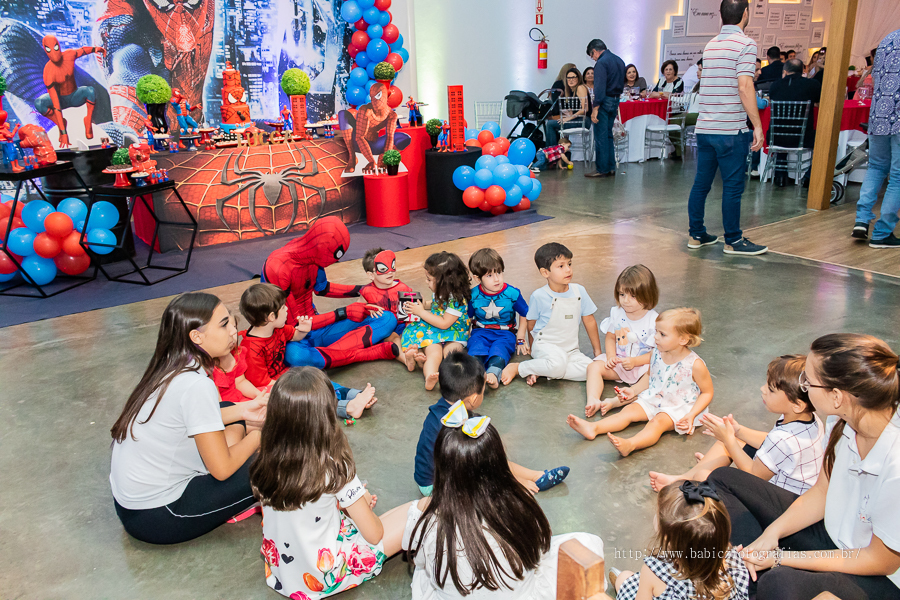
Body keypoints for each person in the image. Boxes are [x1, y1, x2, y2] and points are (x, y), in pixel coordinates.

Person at [710, 333, 900, 600]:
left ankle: (751, 579)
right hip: (832, 535)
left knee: (780, 583)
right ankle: (750, 567)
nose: (804, 387)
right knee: (723, 479)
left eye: (807, 381)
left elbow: (879, 561)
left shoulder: (896, 463)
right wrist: (771, 534)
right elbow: (822, 493)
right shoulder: (842, 418)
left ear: (836, 396)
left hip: (873, 572)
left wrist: (782, 558)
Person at [109, 292, 267, 545]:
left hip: (131, 507)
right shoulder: (196, 385)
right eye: (224, 324)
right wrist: (261, 435)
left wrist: (245, 409)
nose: (233, 332)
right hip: (161, 516)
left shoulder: (171, 366)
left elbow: (196, 416)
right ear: (196, 336)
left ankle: (232, 452)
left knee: (228, 407)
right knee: (280, 462)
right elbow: (222, 469)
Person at [404, 406, 602, 599]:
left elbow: (420, 560)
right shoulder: (520, 502)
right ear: (498, 463)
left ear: (441, 467)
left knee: (423, 574)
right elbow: (540, 547)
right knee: (588, 543)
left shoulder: (426, 519)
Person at [251, 367, 414, 599]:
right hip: (325, 576)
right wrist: (358, 500)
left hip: (283, 574)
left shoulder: (265, 459)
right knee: (419, 509)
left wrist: (350, 501)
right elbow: (375, 534)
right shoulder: (334, 466)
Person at [650, 355, 824, 494]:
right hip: (781, 482)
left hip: (778, 501)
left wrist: (729, 441)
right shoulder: (811, 419)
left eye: (771, 389)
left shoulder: (783, 439)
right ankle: (683, 477)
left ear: (797, 404)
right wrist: (737, 431)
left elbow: (754, 474)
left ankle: (701, 479)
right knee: (732, 438)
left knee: (708, 472)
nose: (763, 389)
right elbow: (771, 441)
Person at [413, 352, 569, 498]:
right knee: (488, 472)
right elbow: (476, 466)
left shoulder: (441, 411)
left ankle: (537, 475)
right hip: (437, 486)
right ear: (473, 399)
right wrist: (513, 482)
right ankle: (517, 483)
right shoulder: (460, 426)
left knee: (493, 460)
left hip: (439, 473)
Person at [567, 308, 714, 457]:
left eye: (662, 334)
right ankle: (593, 428)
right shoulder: (657, 352)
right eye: (656, 331)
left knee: (657, 423)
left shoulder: (694, 365)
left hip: (678, 407)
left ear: (683, 339)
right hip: (655, 397)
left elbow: (707, 392)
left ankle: (631, 444)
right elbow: (651, 376)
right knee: (628, 411)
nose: (655, 337)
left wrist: (692, 415)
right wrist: (634, 390)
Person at [262, 217, 399, 370]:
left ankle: (324, 357)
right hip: (294, 337)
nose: (335, 261)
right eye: (335, 256)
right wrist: (344, 312)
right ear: (323, 248)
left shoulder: (311, 253)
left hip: (319, 328)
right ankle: (367, 353)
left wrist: (364, 289)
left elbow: (322, 288)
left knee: (387, 318)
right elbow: (294, 325)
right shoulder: (278, 267)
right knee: (294, 356)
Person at [687, 0, 768, 256]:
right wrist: (757, 125)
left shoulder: (711, 45)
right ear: (746, 13)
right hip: (730, 130)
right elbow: (745, 86)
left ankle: (696, 234)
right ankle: (733, 240)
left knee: (702, 184)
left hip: (705, 127)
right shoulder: (746, 44)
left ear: (720, 15)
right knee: (733, 186)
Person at [239, 283, 377, 420]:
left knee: (316, 378)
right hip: (270, 389)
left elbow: (294, 336)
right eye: (283, 307)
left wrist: (303, 330)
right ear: (270, 317)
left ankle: (353, 396)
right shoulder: (251, 349)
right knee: (308, 395)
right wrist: (298, 383)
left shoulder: (277, 329)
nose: (287, 309)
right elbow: (262, 384)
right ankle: (346, 407)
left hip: (284, 375)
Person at [611, 480, 750, 600]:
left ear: (669, 539)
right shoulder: (733, 560)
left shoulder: (653, 571)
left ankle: (622, 584)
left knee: (624, 578)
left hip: (656, 586)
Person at [503, 242, 602, 386]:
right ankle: (519, 368)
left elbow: (590, 321)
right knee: (557, 364)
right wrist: (534, 353)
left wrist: (597, 352)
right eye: (561, 266)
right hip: (545, 346)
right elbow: (531, 324)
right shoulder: (539, 295)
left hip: (571, 350)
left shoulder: (579, 291)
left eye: (569, 264)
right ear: (545, 272)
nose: (568, 270)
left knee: (593, 370)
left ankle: (543, 369)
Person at [584, 265, 660, 418]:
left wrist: (635, 361)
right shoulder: (617, 313)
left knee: (653, 380)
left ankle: (614, 402)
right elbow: (611, 337)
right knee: (593, 367)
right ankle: (593, 399)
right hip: (619, 363)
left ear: (648, 294)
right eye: (622, 294)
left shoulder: (654, 320)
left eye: (633, 296)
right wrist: (611, 356)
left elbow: (657, 353)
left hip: (642, 367)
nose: (626, 301)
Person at [853, 29, 900, 248]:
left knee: (876, 167)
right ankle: (882, 233)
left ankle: (861, 220)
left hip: (879, 114)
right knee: (898, 176)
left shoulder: (887, 40)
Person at [401, 252, 471, 390]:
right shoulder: (440, 291)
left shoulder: (457, 300)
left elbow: (445, 323)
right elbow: (435, 305)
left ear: (442, 281)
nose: (426, 283)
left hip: (455, 332)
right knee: (434, 353)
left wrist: (421, 312)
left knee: (450, 354)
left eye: (429, 279)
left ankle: (455, 378)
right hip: (435, 328)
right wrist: (421, 305)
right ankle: (429, 376)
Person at [465, 248, 529, 389]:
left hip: (506, 333)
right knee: (475, 349)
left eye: (499, 273)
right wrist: (466, 336)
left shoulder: (512, 293)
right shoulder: (473, 295)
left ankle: (493, 375)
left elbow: (525, 313)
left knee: (500, 351)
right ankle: (475, 376)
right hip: (480, 332)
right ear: (477, 278)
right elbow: (468, 317)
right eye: (489, 275)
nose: (497, 279)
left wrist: (520, 338)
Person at [766, 58, 821, 187]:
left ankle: (780, 175)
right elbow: (818, 103)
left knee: (782, 128)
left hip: (776, 137)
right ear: (803, 70)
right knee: (826, 141)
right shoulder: (812, 84)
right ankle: (808, 176)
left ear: (785, 71)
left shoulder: (775, 85)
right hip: (803, 137)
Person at [358, 248, 416, 369]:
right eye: (383, 269)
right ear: (370, 275)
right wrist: (368, 308)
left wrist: (410, 327)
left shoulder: (403, 287)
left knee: (413, 337)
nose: (390, 272)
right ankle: (406, 360)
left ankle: (417, 357)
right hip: (385, 331)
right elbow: (357, 310)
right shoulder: (367, 291)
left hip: (403, 325)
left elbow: (412, 310)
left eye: (392, 266)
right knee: (393, 338)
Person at [585, 38, 626, 178]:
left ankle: (602, 169)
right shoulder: (619, 60)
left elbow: (600, 88)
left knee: (601, 136)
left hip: (604, 101)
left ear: (595, 51)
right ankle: (611, 167)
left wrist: (595, 108)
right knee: (608, 135)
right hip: (616, 100)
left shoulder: (601, 63)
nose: (593, 59)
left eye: (592, 56)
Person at [213, 316, 268, 403]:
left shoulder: (236, 354)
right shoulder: (206, 369)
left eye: (234, 327)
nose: (234, 332)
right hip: (226, 409)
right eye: (225, 328)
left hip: (239, 398)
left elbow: (240, 382)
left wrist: (258, 395)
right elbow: (219, 406)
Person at [545, 67, 590, 146]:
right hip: (578, 119)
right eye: (568, 78)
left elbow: (585, 109)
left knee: (550, 124)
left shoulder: (580, 87)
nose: (571, 80)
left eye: (573, 77)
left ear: (578, 78)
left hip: (584, 120)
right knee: (552, 123)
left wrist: (569, 118)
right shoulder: (571, 91)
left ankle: (552, 153)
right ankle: (554, 152)